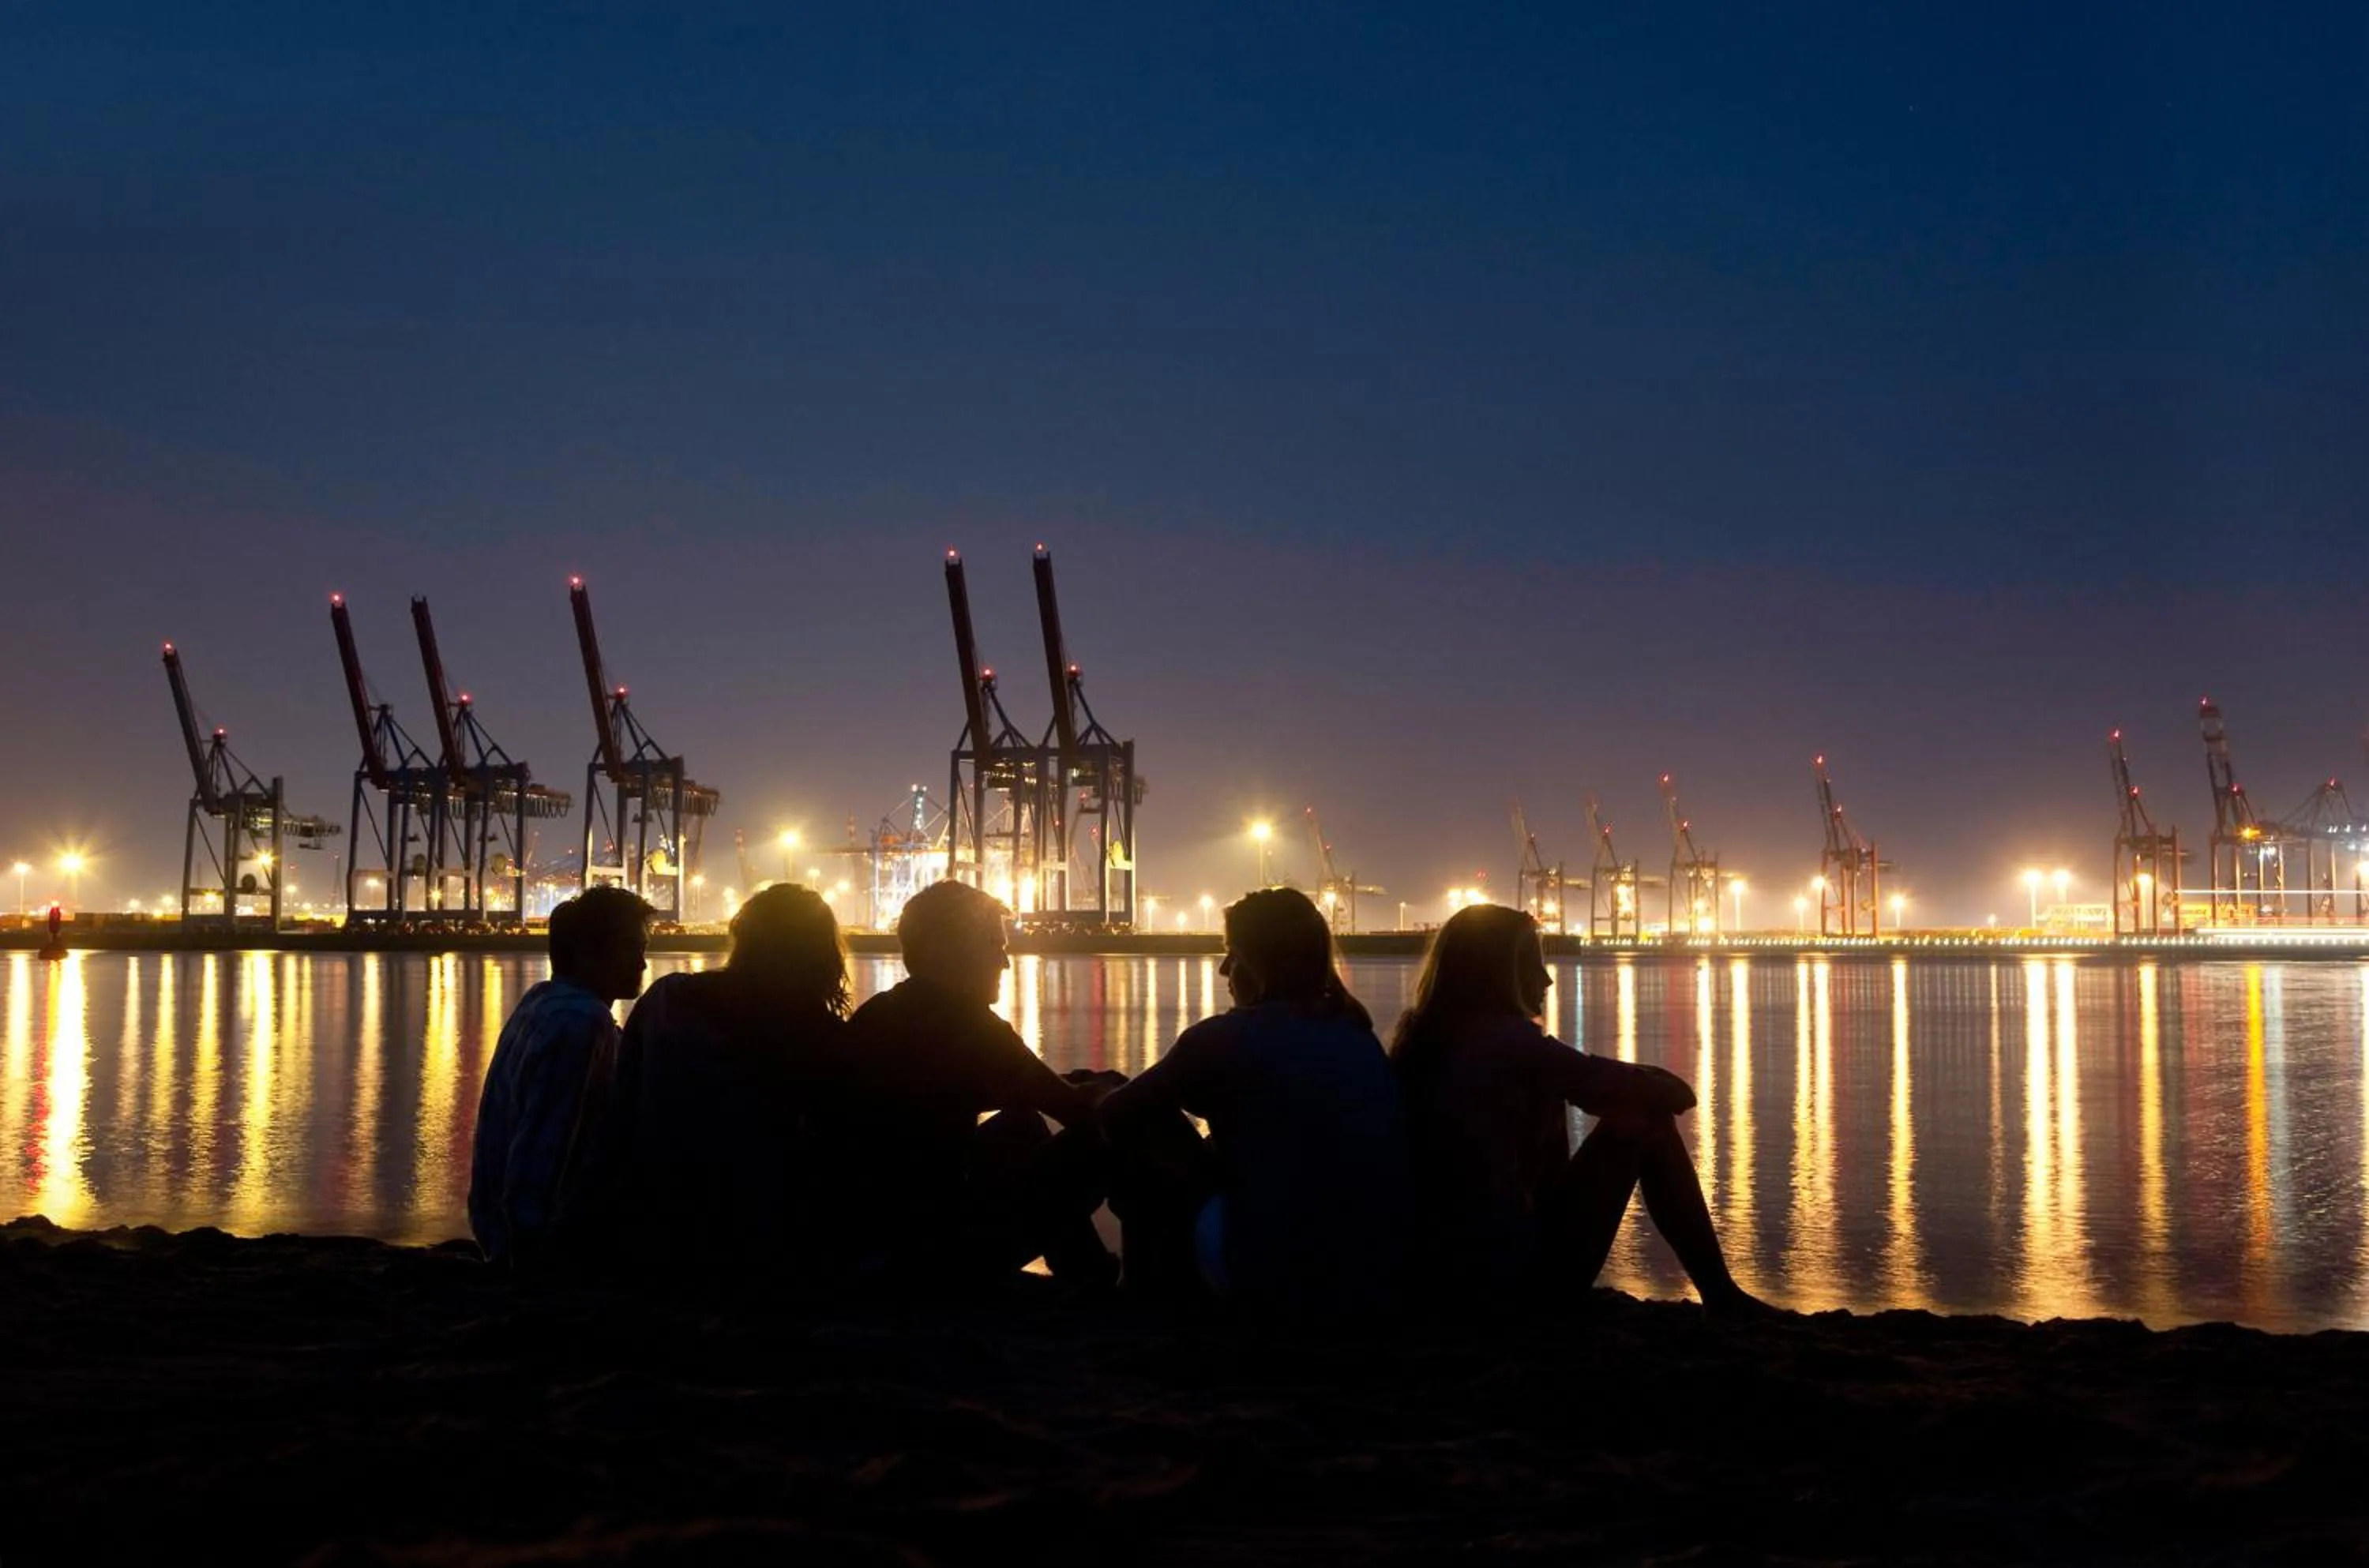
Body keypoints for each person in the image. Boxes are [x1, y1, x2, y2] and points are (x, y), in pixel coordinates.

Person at [1390, 903, 1766, 1315]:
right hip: (1506, 1280)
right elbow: (1674, 1097)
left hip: (1433, 1270)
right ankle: (1720, 1293)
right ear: (1500, 975)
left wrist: (1627, 1079)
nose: (1548, 979)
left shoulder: (1423, 1037)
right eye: (1534, 964)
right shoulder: (1510, 1044)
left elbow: (1588, 1078)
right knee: (1648, 1124)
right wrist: (1645, 1080)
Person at [1099, 887, 1410, 1312]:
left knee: (1141, 1121)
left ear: (1264, 964)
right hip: (1368, 1272)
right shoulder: (1359, 1036)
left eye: (1234, 954)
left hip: (1267, 1272)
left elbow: (1113, 1116)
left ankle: (1137, 1289)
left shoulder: (1226, 1037)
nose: (1225, 970)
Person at [828, 880, 1115, 1288]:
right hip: (933, 1249)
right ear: (957, 952)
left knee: (1022, 1125)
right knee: (1101, 1135)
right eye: (996, 948)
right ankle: (1101, 1277)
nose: (1006, 963)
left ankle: (1088, 1271)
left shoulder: (879, 1014)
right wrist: (1111, 1092)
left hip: (867, 1236)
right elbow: (1074, 1112)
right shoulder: (971, 1026)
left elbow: (953, 1090)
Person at [580, 883, 852, 1280]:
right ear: (821, 956)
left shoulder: (666, 1000)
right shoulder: (821, 1036)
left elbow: (620, 1114)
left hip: (652, 1225)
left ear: (743, 940)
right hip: (761, 1242)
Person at [467, 884, 651, 1268]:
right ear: (586, 952)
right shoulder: (580, 1022)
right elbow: (541, 1155)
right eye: (631, 948)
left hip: (494, 1228)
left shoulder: (540, 1000)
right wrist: (533, 1261)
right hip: (542, 1247)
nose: (643, 964)